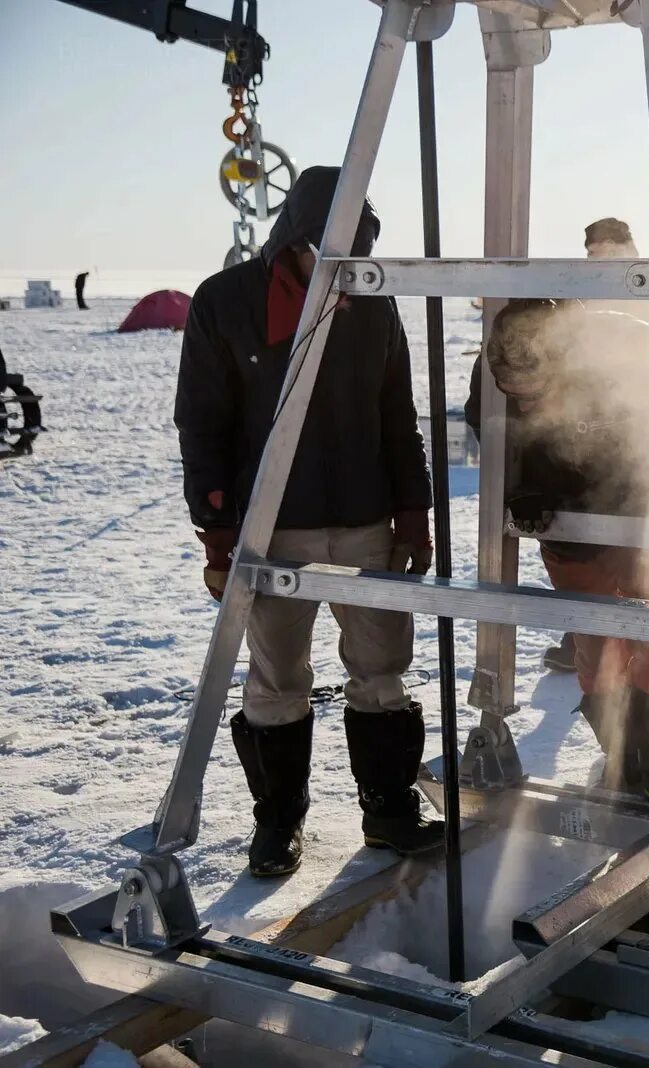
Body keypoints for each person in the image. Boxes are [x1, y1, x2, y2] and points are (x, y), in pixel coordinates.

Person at [174, 166, 445, 877]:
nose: (343, 266)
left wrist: (414, 516)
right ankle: (277, 824)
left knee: (383, 673)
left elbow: (397, 420)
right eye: (329, 249)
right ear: (294, 237)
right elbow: (201, 425)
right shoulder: (223, 303)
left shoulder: (373, 304)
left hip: (367, 522)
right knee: (274, 682)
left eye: (356, 249)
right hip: (272, 531)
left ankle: (388, 810)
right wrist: (218, 532)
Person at [478, 296, 649, 823]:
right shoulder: (492, 372)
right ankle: (620, 757)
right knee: (598, 647)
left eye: (538, 393)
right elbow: (490, 432)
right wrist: (520, 486)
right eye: (517, 395)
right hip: (567, 531)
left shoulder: (623, 344)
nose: (527, 404)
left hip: (642, 515)